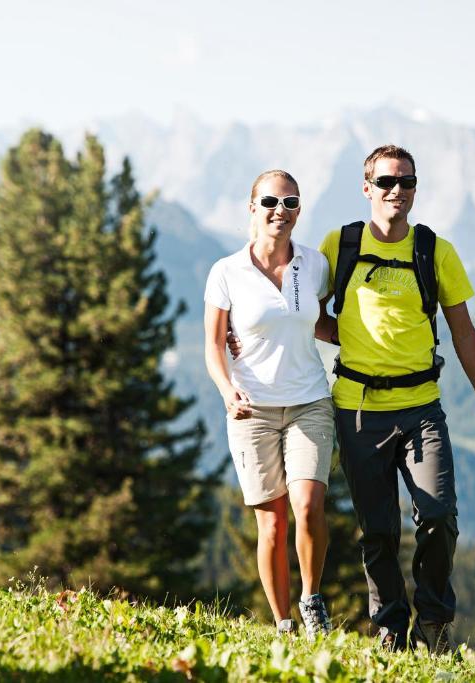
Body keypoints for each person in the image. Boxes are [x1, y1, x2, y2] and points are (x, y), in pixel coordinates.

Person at [314, 144, 475, 653]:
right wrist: (344, 339)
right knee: (377, 530)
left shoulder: (434, 250)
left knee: (439, 514)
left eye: (407, 182)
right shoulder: (341, 245)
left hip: (422, 408)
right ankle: (390, 630)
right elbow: (304, 311)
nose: (396, 190)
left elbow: (464, 332)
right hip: (357, 409)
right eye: (386, 182)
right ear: (367, 188)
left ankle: (435, 626)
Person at [204, 169, 335, 638]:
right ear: (252, 206)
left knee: (308, 505)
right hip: (252, 408)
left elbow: (321, 321)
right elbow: (214, 344)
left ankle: (311, 600)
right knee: (272, 524)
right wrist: (227, 391)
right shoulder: (226, 272)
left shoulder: (315, 264)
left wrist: (374, 342)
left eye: (291, 202)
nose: (281, 210)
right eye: (271, 202)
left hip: (309, 402)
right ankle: (283, 623)